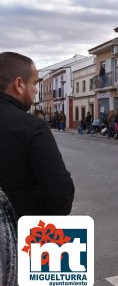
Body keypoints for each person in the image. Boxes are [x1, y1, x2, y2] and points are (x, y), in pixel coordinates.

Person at [0, 52, 74, 219]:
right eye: (34, 83)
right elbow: (60, 196)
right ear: (19, 84)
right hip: (24, 234)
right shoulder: (33, 127)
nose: (36, 91)